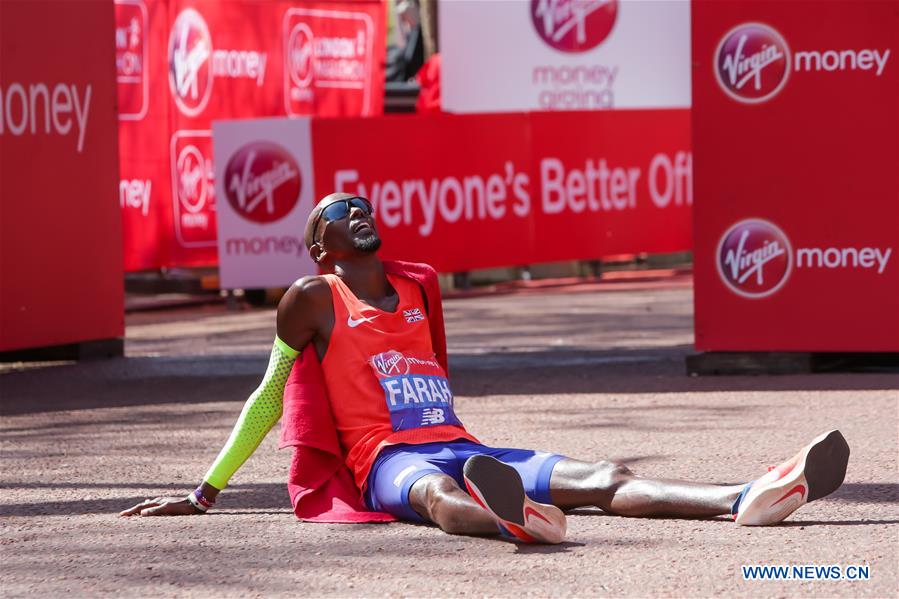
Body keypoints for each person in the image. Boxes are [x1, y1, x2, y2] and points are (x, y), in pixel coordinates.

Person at [120, 193, 850, 543]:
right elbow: (269, 395)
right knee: (437, 493)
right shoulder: (312, 298)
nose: (358, 209)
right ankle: (517, 523)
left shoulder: (416, 287)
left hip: (464, 442)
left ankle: (742, 495)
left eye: (363, 202)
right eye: (340, 211)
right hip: (387, 458)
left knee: (606, 474)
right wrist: (205, 492)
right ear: (320, 248)